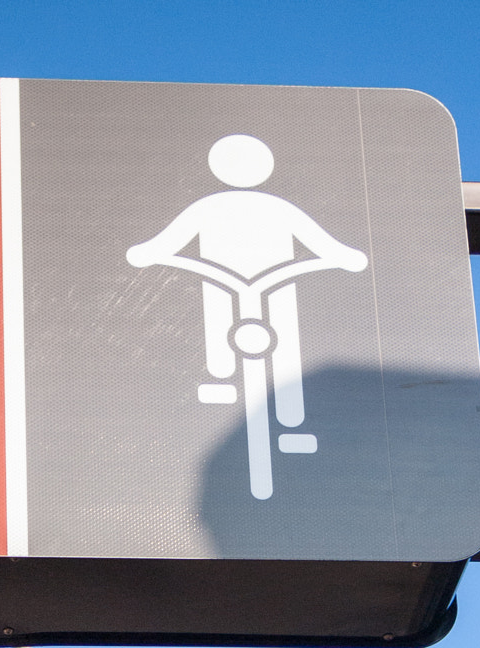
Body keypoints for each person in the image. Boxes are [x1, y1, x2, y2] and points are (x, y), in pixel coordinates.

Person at [125, 134, 366, 439]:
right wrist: (149, 252)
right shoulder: (207, 207)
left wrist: (342, 256)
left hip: (276, 278)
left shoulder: (279, 209)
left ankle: (292, 414)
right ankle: (221, 378)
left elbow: (320, 241)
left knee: (284, 338)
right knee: (218, 325)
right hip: (219, 277)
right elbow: (169, 239)